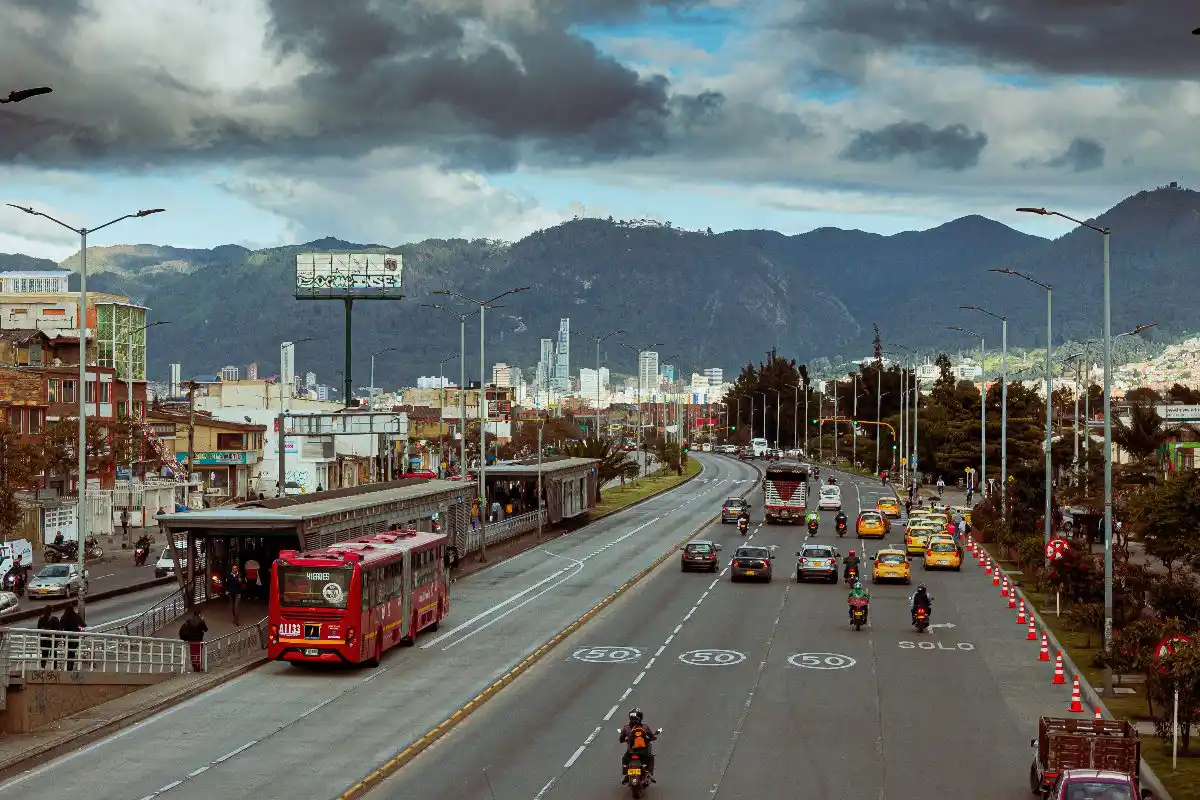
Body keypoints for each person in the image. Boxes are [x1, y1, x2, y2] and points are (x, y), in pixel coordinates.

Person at [619, 708, 657, 783]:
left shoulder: (626, 728)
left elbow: (621, 740)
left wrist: (626, 739)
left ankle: (626, 774)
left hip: (631, 752)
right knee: (651, 758)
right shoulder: (645, 727)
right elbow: (652, 737)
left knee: (624, 759)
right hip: (644, 752)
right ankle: (649, 773)